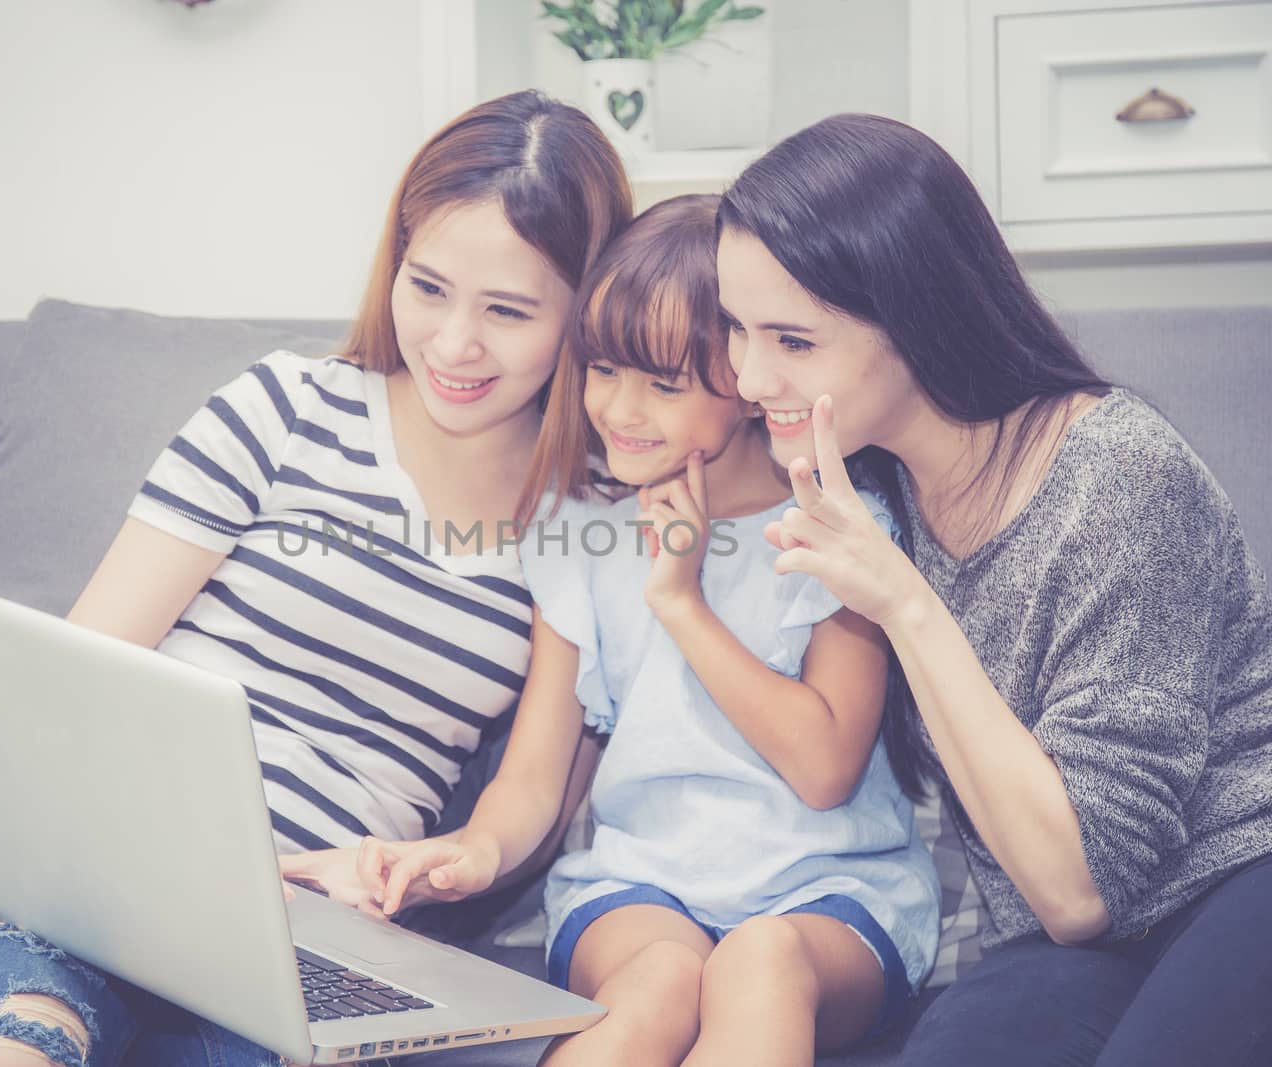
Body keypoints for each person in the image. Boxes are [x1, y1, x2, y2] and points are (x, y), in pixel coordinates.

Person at [0, 90, 631, 1067]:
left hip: (310, 929)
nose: (456, 343)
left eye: (507, 311)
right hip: (116, 854)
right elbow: (80, 669)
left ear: (584, 313)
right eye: (428, 287)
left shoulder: (579, 519)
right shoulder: (284, 406)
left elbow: (531, 785)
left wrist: (461, 857)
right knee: (25, 1024)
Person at [716, 112, 1272, 1066]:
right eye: (735, 328)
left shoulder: (1116, 474)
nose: (747, 375)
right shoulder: (866, 479)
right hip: (1059, 932)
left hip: (1254, 858)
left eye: (790, 338)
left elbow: (1082, 887)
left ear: (916, 315)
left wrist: (907, 604)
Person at [354, 195, 940, 1067]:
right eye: (603, 370)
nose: (620, 411)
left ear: (747, 383)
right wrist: (472, 849)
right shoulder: (580, 537)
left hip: (832, 894)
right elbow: (535, 779)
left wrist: (681, 600)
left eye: (664, 385)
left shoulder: (838, 524)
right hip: (639, 889)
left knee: (760, 960)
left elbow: (825, 769)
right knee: (664, 977)